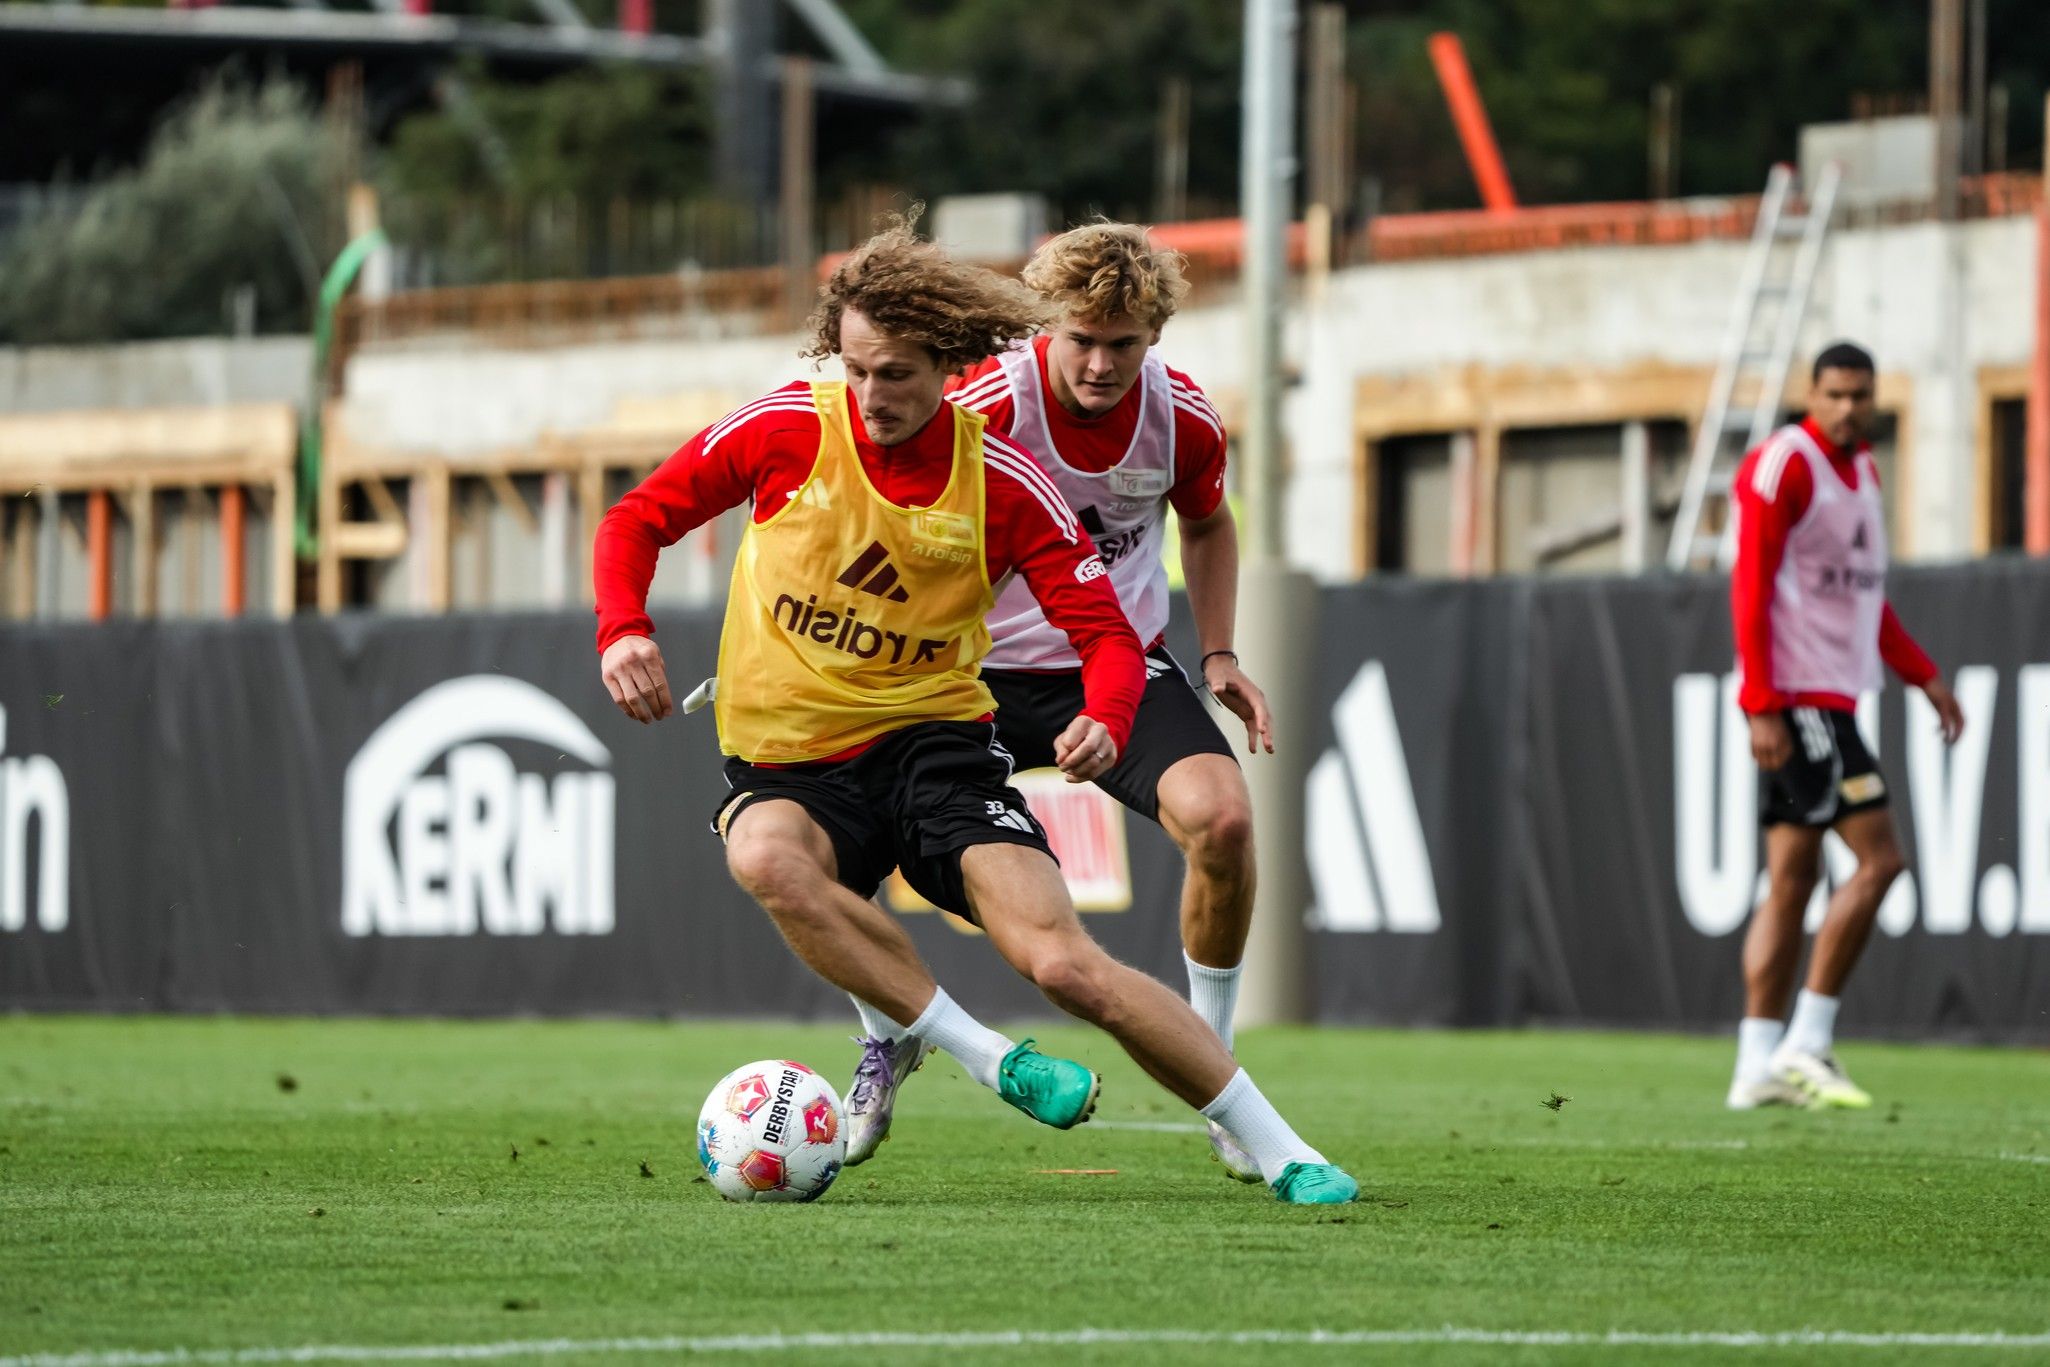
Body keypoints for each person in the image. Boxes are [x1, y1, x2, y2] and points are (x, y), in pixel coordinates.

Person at [593, 217, 1357, 1204]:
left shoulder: (1000, 477)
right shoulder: (786, 425)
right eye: (858, 369)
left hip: (936, 745)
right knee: (765, 857)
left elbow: (1112, 634)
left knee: (1067, 964)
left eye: (899, 374)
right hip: (791, 760)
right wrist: (623, 629)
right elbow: (635, 518)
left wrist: (1112, 715)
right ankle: (988, 1056)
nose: (873, 397)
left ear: (949, 364)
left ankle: (1279, 1143)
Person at [838, 221, 1274, 1183]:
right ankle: (886, 1035)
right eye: (1081, 338)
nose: (1101, 363)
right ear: (1044, 326)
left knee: (1226, 821)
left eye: (1124, 343)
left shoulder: (1184, 417)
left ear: (1154, 337)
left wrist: (1222, 650)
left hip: (1109, 664)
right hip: (967, 670)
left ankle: (1216, 1065)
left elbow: (1206, 525)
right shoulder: (985, 401)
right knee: (841, 827)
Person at [1725, 341, 1964, 1111]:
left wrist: (1921, 671)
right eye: (1834, 394)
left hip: (1831, 694)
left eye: (1860, 395)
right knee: (1882, 859)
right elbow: (1751, 582)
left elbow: (1866, 600)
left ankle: (1756, 1062)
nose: (1847, 409)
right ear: (1811, 393)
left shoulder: (1865, 472)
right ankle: (1809, 1039)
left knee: (1792, 880)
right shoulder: (1785, 464)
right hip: (1801, 698)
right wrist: (1761, 700)